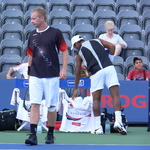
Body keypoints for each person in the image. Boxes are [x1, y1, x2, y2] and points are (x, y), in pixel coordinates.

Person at [25, 8, 68, 145]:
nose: (32, 21)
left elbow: (64, 51)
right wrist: (29, 72)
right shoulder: (31, 35)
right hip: (35, 75)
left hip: (52, 76)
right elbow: (30, 55)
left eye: (34, 18)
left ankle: (50, 134)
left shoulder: (55, 33)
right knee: (35, 104)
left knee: (51, 107)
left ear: (42, 18)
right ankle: (33, 135)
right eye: (31, 19)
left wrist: (64, 69)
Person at [71, 35, 127, 135]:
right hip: (109, 68)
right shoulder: (97, 40)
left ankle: (98, 127)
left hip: (96, 73)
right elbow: (112, 46)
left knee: (96, 99)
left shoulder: (78, 55)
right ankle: (118, 122)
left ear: (77, 43)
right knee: (115, 96)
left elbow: (78, 73)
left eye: (74, 47)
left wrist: (75, 88)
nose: (75, 49)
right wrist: (110, 60)